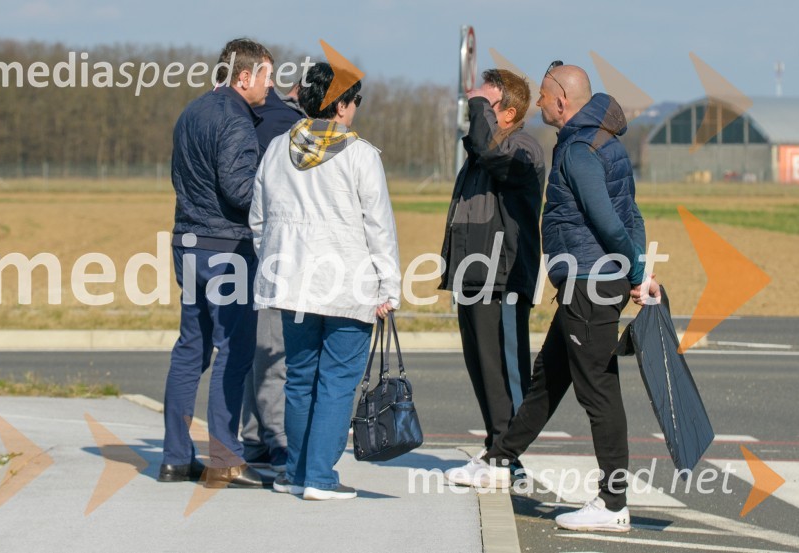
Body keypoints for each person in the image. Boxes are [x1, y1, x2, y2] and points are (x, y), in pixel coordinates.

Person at [445, 63, 661, 533]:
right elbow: (633, 214)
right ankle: (499, 461)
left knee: (598, 391)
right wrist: (637, 269)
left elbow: (608, 220)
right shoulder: (603, 141)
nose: (539, 102)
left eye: (543, 95)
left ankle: (612, 503)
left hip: (589, 282)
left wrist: (637, 272)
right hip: (589, 283)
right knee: (546, 383)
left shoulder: (579, 149)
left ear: (562, 100)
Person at [249, 62, 401, 501]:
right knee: (337, 380)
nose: (355, 109)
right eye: (355, 101)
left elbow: (258, 220)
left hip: (291, 283)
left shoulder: (277, 148)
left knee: (299, 379)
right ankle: (319, 477)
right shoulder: (360, 154)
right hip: (346, 286)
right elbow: (378, 227)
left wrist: (276, 265)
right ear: (340, 105)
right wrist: (389, 287)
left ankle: (295, 473)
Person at [158, 38, 275, 489]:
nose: (270, 85)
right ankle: (225, 457)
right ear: (244, 77)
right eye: (266, 76)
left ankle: (174, 457)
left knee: (191, 347)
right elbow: (240, 190)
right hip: (226, 250)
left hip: (186, 241)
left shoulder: (191, 112)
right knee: (235, 349)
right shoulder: (236, 120)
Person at [439, 69, 545, 473]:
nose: (475, 108)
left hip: (503, 277)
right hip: (472, 275)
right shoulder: (482, 154)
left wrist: (478, 105)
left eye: (484, 103)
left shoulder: (522, 149)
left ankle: (508, 457)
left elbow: (490, 152)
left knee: (505, 369)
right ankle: (495, 448)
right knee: (483, 368)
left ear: (508, 112)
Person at [240, 86, 306, 472]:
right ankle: (276, 438)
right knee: (274, 352)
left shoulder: (255, 116)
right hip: (277, 255)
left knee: (258, 350)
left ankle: (254, 438)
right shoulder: (289, 125)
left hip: (246, 249)